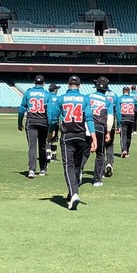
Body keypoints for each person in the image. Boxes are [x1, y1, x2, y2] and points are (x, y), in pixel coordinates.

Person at [48, 75, 97, 210]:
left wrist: (51, 132)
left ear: (68, 85)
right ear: (79, 86)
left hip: (67, 135)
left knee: (68, 166)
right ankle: (72, 194)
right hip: (81, 135)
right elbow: (89, 119)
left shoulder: (61, 98)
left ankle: (74, 193)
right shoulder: (85, 99)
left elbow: (53, 118)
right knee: (76, 166)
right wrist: (94, 138)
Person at [80, 76, 115, 187]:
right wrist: (108, 132)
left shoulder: (87, 97)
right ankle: (97, 179)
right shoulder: (107, 101)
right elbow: (110, 118)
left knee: (84, 152)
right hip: (99, 128)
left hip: (86, 126)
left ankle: (79, 171)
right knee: (100, 154)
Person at [17, 74, 51, 178]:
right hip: (43, 121)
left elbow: (22, 109)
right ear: (44, 83)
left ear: (34, 83)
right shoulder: (47, 95)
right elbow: (49, 111)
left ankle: (31, 170)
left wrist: (19, 123)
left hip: (31, 121)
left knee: (32, 146)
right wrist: (50, 125)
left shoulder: (28, 93)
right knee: (42, 146)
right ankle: (42, 169)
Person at [117, 86, 137, 158]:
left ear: (123, 91)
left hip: (123, 118)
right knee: (129, 135)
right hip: (131, 118)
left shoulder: (119, 98)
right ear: (129, 91)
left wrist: (118, 122)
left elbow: (118, 111)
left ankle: (124, 150)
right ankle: (128, 151)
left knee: (123, 135)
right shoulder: (133, 99)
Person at [103, 85, 120, 177]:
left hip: (100, 121)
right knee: (110, 145)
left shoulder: (99, 95)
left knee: (101, 146)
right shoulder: (115, 95)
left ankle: (100, 168)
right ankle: (109, 163)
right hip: (111, 121)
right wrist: (119, 124)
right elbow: (118, 111)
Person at [46, 84, 60, 162]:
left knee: (48, 137)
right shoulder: (58, 98)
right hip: (56, 120)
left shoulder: (47, 97)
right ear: (55, 90)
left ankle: (48, 153)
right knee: (55, 138)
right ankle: (53, 155)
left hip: (48, 120)